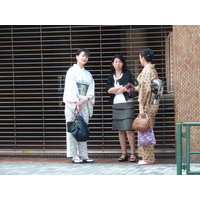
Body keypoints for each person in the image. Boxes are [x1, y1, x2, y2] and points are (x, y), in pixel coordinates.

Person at [63, 48, 95, 163]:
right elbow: (70, 88)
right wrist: (76, 101)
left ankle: (83, 154)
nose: (85, 58)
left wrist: (85, 98)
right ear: (77, 57)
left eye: (86, 56)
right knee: (73, 129)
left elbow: (91, 88)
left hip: (84, 103)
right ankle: (74, 155)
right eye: (82, 56)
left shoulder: (88, 74)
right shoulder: (71, 71)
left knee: (83, 129)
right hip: (73, 105)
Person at [106, 54, 137, 162]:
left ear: (123, 63)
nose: (118, 64)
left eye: (119, 62)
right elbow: (108, 90)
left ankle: (133, 153)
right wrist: (120, 87)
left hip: (127, 104)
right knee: (120, 130)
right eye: (115, 62)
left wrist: (118, 89)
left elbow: (130, 86)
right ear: (112, 64)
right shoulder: (111, 76)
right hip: (116, 105)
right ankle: (124, 153)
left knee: (129, 129)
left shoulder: (127, 73)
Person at [136, 48, 159, 165]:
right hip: (153, 103)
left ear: (143, 58)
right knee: (148, 129)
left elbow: (144, 90)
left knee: (146, 130)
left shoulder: (146, 71)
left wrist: (141, 107)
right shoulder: (153, 70)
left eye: (140, 57)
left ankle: (148, 159)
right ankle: (146, 157)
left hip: (147, 105)